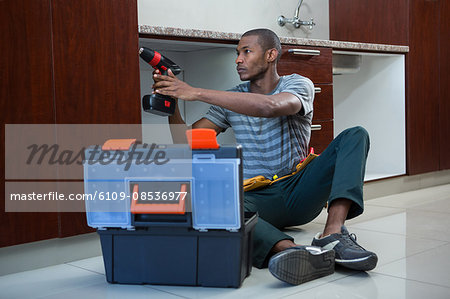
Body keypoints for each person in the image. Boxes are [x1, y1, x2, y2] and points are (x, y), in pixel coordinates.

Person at [152, 28, 378, 285]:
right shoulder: (231, 98)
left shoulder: (297, 84)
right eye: (237, 53)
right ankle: (295, 254)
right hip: (257, 199)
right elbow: (187, 143)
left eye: (246, 51)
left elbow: (269, 107)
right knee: (211, 200)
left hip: (299, 188)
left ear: (271, 55)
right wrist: (171, 104)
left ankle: (333, 234)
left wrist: (195, 92)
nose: (238, 59)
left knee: (355, 135)